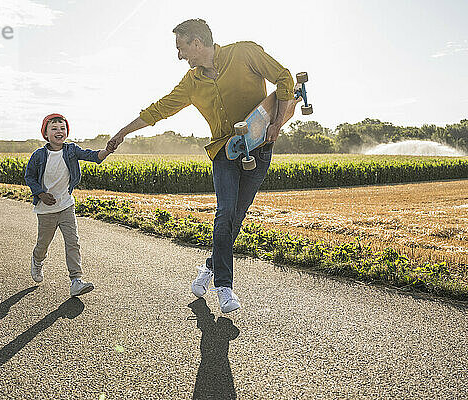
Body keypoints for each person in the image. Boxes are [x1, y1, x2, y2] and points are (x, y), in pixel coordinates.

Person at [107, 19, 295, 312]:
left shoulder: (245, 52)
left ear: (196, 43)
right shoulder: (191, 82)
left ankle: (209, 267)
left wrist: (277, 122)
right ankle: (224, 287)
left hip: (260, 148)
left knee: (236, 217)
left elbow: (284, 78)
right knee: (224, 213)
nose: (179, 55)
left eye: (181, 48)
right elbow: (161, 108)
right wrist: (123, 131)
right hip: (224, 152)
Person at [25, 113, 111, 296]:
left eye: (62, 128)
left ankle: (76, 280)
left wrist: (107, 150)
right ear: (46, 134)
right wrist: (40, 193)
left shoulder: (71, 150)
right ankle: (37, 260)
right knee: (43, 244)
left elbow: (92, 156)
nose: (59, 131)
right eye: (54, 128)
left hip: (66, 206)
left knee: (73, 242)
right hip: (46, 209)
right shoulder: (39, 155)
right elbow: (29, 177)